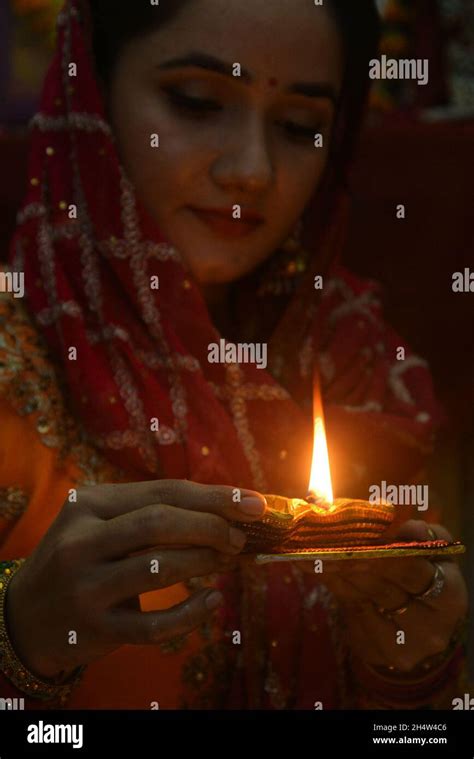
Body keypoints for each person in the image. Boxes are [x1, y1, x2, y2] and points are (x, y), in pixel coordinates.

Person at [0, 0, 468, 709]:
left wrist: (411, 669)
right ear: (89, 93)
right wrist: (20, 634)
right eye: (196, 101)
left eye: (298, 127)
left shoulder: (370, 373)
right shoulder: (13, 376)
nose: (253, 169)